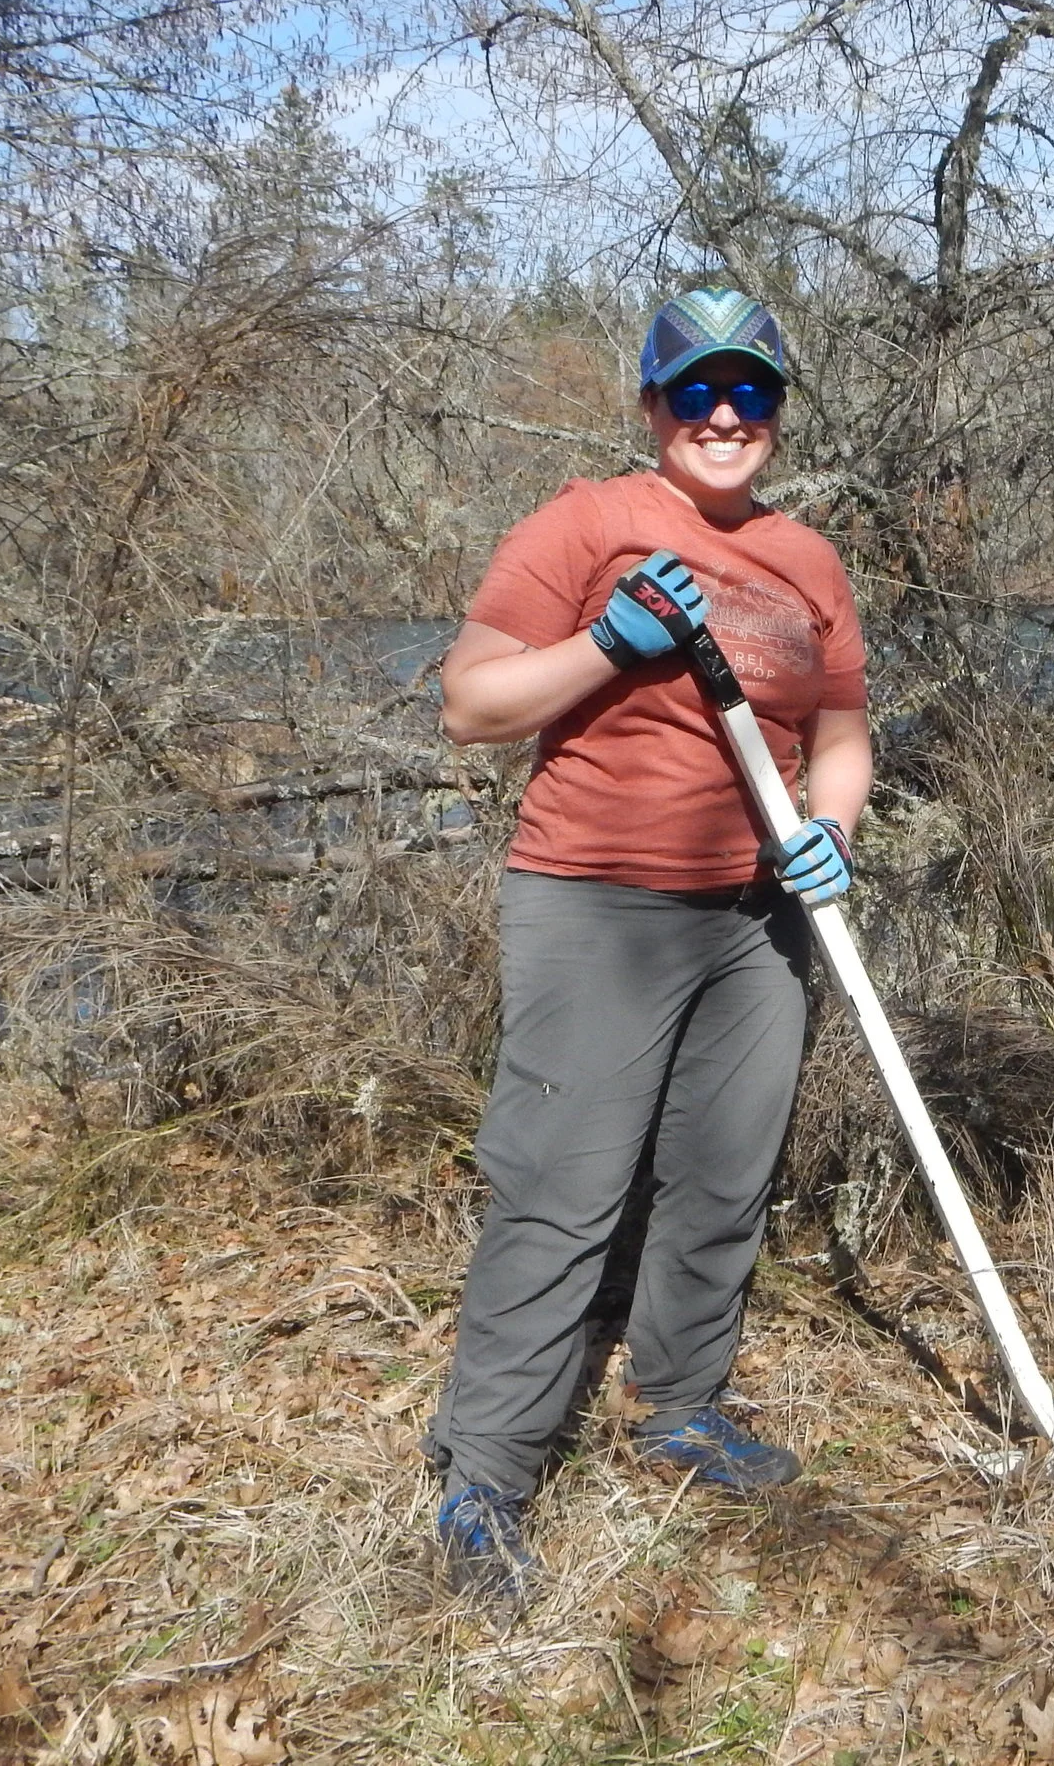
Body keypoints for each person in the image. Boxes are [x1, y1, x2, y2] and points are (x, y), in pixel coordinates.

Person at [423, 288, 872, 1600]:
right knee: (566, 1185)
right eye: (696, 393)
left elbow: (840, 734)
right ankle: (485, 1474)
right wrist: (600, 645)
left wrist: (830, 827)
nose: (724, 417)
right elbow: (471, 703)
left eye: (751, 394)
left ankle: (679, 1404)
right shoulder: (586, 524)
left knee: (724, 1177)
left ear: (778, 412)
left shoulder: (811, 562)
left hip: (760, 913)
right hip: (597, 900)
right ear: (652, 407)